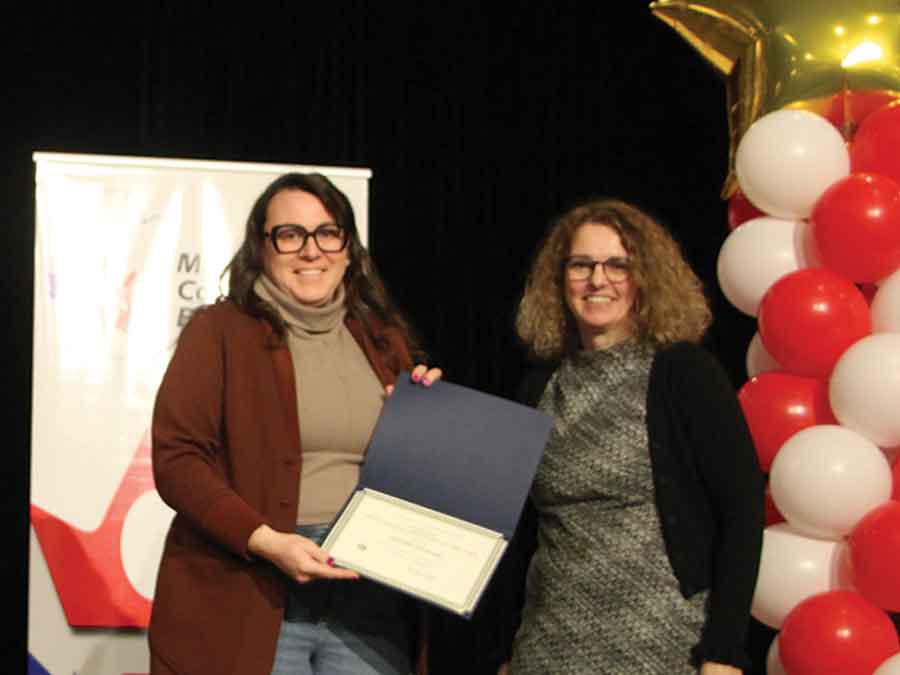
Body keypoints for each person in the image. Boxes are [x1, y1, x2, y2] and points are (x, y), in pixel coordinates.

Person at [149, 172, 441, 675]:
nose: (311, 251)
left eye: (328, 233)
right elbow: (177, 459)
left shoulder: (383, 340)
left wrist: (429, 416)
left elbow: (415, 471)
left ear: (349, 249)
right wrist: (266, 540)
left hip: (366, 592)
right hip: (255, 589)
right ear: (261, 248)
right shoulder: (217, 331)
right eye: (290, 235)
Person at [495, 198, 764, 674]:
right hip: (549, 644)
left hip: (664, 642)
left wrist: (725, 651)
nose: (598, 280)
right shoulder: (539, 386)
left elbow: (741, 515)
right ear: (559, 279)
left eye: (618, 265)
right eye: (582, 265)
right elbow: (513, 534)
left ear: (645, 278)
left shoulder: (684, 373)